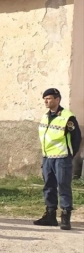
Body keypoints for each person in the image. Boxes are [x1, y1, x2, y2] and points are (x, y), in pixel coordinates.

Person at [33, 88, 81, 230]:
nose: (46, 101)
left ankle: (65, 217)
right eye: (45, 99)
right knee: (48, 186)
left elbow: (76, 138)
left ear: (57, 99)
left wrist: (69, 155)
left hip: (62, 158)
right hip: (47, 157)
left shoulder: (67, 117)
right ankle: (50, 215)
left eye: (48, 98)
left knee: (63, 186)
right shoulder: (45, 116)